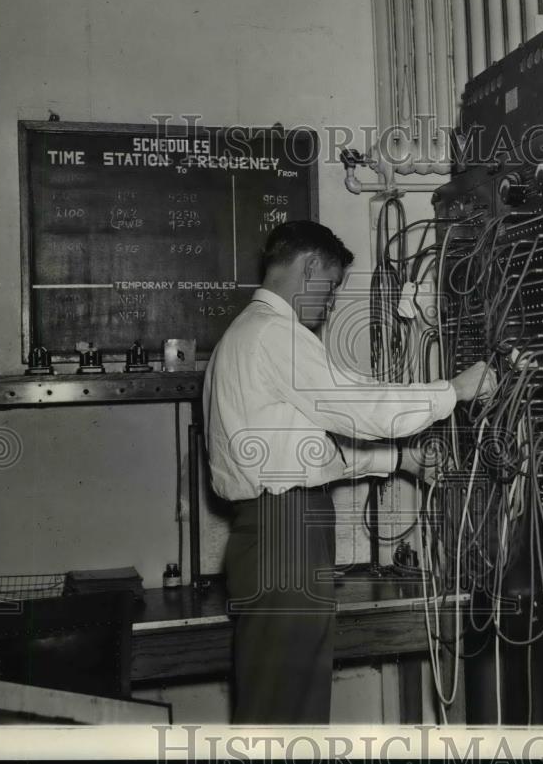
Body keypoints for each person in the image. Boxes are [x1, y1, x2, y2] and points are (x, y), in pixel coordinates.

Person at [202, 219, 494, 724]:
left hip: (270, 530)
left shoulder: (244, 336)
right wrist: (456, 390)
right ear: (310, 268)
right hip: (285, 536)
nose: (332, 301)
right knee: (287, 707)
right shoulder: (276, 335)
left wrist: (399, 460)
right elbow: (361, 408)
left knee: (281, 700)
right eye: (332, 286)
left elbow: (303, 449)